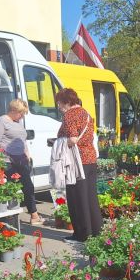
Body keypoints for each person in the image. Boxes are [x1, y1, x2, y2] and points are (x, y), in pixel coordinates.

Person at [55, 88, 102, 242]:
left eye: (60, 103)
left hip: (76, 161)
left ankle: (82, 235)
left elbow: (73, 139)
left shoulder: (69, 115)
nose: (59, 106)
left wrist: (58, 143)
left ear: (67, 102)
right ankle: (96, 231)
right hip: (90, 159)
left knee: (77, 198)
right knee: (90, 197)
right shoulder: (86, 113)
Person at [0, 98, 40, 224]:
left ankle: (34, 215)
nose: (22, 116)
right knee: (11, 189)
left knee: (28, 186)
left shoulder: (18, 123)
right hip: (7, 161)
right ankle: (9, 219)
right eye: (21, 113)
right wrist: (2, 158)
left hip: (22, 161)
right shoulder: (2, 121)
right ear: (14, 110)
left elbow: (22, 141)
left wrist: (27, 154)